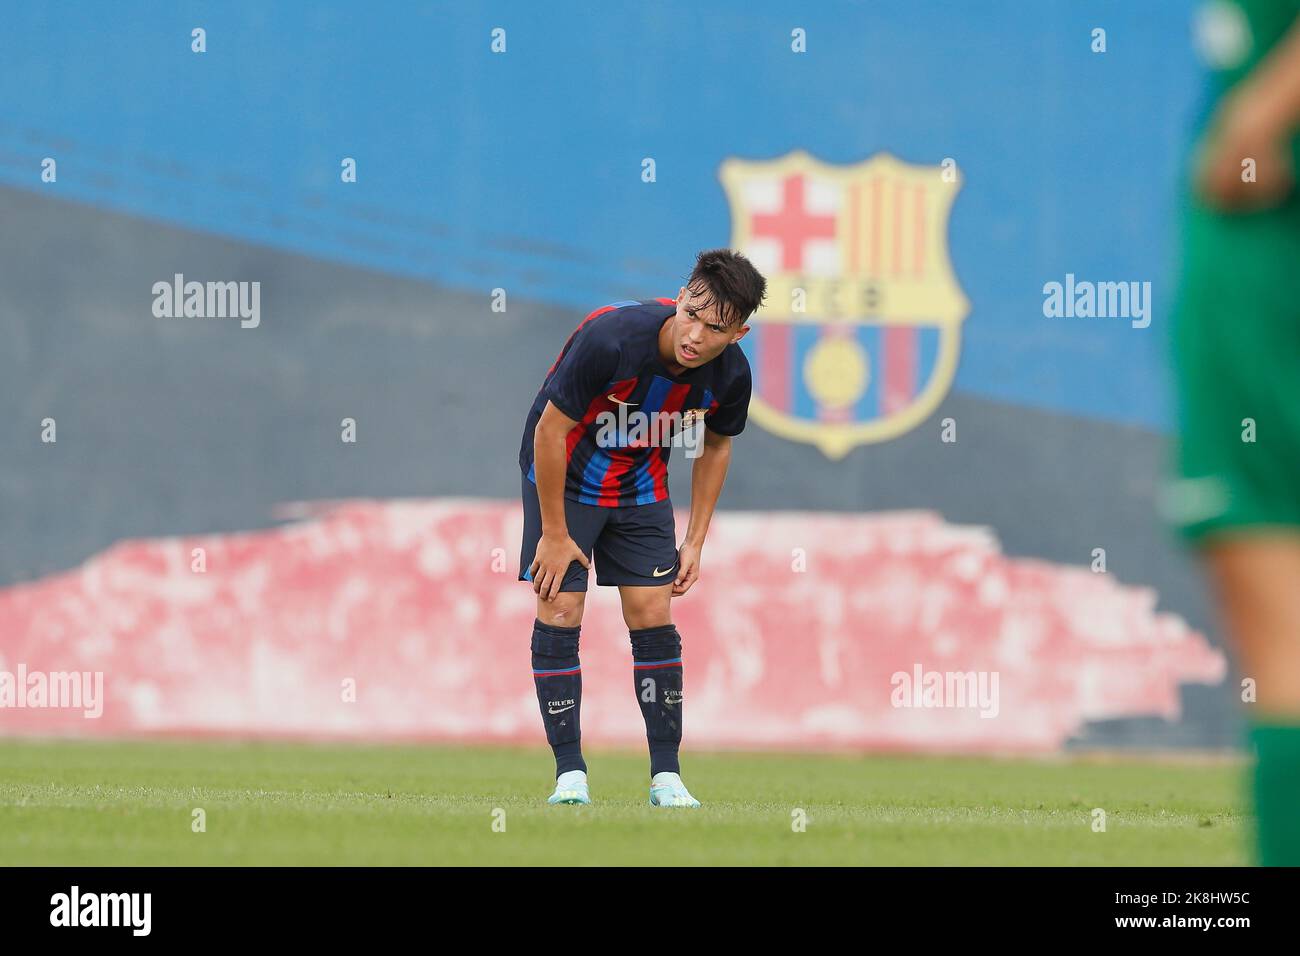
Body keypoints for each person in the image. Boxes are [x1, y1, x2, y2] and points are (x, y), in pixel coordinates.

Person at [517, 248, 766, 807]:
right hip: (566, 479)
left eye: (715, 328)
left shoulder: (730, 375)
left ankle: (666, 777)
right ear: (680, 296)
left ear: (740, 333)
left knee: (653, 612)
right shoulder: (611, 338)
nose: (695, 335)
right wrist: (555, 535)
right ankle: (569, 775)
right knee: (560, 608)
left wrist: (696, 540)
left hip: (640, 485)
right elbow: (549, 432)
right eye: (691, 314)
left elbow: (717, 444)